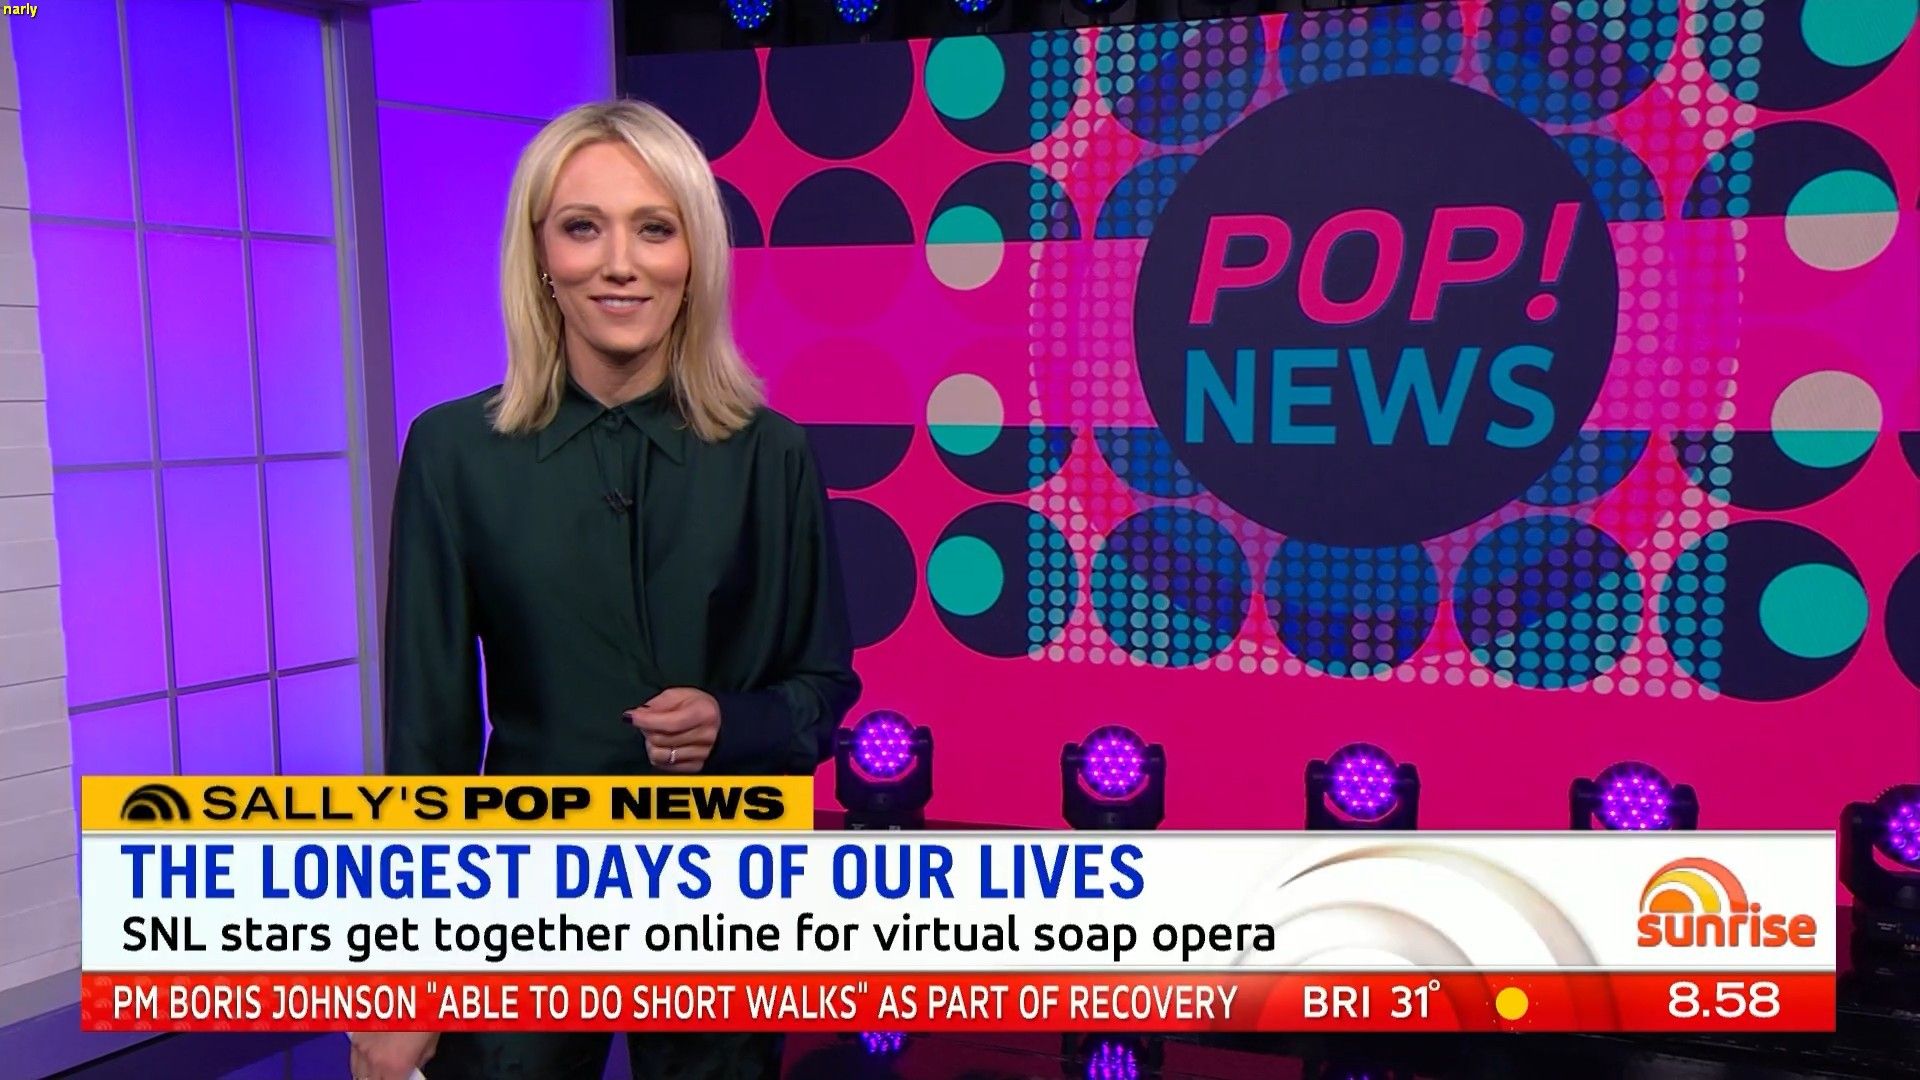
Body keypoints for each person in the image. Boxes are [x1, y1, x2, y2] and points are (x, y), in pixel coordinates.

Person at [350, 99, 862, 1080]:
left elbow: (822, 690)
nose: (619, 263)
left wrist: (731, 723)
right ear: (541, 256)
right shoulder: (454, 452)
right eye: (583, 227)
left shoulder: (773, 455)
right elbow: (428, 742)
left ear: (694, 257)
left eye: (654, 229)